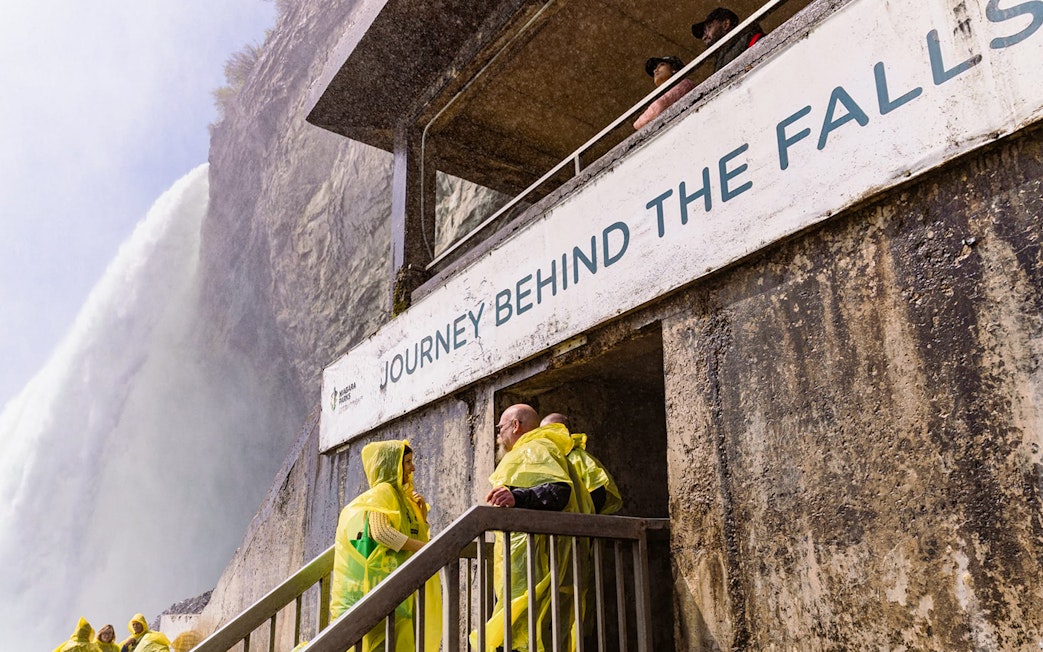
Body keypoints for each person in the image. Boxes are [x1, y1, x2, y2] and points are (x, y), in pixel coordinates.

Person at [474, 404, 593, 652]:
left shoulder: (533, 449)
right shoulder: (542, 449)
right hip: (537, 562)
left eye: (500, 428)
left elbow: (559, 492)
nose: (499, 435)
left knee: (524, 632)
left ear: (515, 425)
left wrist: (517, 497)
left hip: (535, 564)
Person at [330, 439, 441, 652]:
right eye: (407, 462)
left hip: (393, 593)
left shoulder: (402, 499)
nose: (413, 468)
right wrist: (428, 548)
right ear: (392, 465)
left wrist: (422, 515)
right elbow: (382, 534)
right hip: (378, 592)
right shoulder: (383, 493)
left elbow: (410, 534)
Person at [540, 413, 622, 515]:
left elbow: (597, 490)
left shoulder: (577, 457)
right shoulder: (546, 458)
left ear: (566, 432)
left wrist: (584, 516)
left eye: (552, 430)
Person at [633, 55, 697, 130]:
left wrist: (639, 123)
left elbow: (659, 106)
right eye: (654, 69)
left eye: (661, 65)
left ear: (674, 69)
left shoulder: (684, 84)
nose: (655, 70)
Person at [691, 7, 766, 72]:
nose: (704, 37)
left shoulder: (752, 40)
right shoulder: (720, 61)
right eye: (703, 33)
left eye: (709, 27)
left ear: (726, 24)